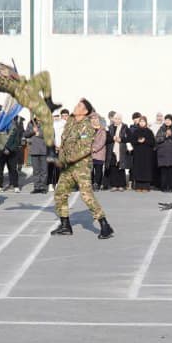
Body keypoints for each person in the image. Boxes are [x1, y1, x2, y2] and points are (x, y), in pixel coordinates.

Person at [0, 25, 59, 151]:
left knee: (44, 82)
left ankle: (49, 104)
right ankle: (51, 149)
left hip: (20, 90)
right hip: (22, 90)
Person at [51, 99, 114, 239]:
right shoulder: (70, 122)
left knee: (87, 196)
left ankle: (105, 226)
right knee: (59, 194)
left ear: (85, 111)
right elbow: (65, 143)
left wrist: (68, 159)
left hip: (81, 167)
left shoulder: (88, 126)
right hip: (68, 167)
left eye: (79, 105)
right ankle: (65, 225)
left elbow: (85, 149)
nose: (75, 106)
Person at [155, 114, 172, 193]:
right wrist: (165, 135)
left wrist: (171, 135)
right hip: (163, 154)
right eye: (166, 120)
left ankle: (170, 187)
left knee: (171, 171)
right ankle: (163, 187)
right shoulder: (161, 129)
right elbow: (157, 139)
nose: (167, 121)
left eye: (169, 120)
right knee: (164, 172)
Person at [128, 116, 156, 192]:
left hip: (147, 154)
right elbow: (132, 141)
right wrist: (138, 141)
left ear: (146, 123)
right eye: (140, 121)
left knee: (146, 169)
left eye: (143, 121)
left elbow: (153, 142)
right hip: (138, 153)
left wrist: (145, 140)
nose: (142, 123)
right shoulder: (136, 132)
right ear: (139, 123)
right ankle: (138, 186)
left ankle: (146, 187)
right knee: (138, 169)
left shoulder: (149, 131)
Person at [105, 112, 129, 191]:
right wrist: (113, 138)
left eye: (119, 119)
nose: (117, 120)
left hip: (121, 150)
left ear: (121, 120)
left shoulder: (125, 127)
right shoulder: (109, 127)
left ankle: (121, 185)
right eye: (116, 119)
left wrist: (121, 139)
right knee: (113, 167)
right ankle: (114, 185)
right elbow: (106, 139)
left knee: (121, 167)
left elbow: (129, 138)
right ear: (113, 119)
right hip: (111, 150)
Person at [25, 117, 48, 193]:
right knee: (36, 170)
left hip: (43, 149)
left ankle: (43, 187)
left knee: (44, 170)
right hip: (34, 150)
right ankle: (37, 187)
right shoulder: (31, 123)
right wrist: (32, 131)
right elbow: (26, 134)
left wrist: (40, 134)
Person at [90, 113, 108, 190]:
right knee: (90, 170)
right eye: (93, 119)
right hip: (89, 153)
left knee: (98, 169)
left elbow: (102, 141)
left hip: (99, 153)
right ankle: (91, 184)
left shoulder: (102, 130)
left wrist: (95, 148)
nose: (94, 120)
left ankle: (97, 184)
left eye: (96, 118)